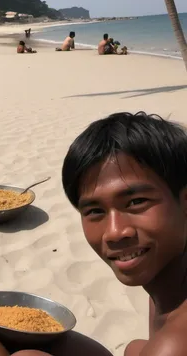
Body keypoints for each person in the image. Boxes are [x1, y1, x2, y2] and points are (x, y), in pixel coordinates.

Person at [62, 112, 187, 356]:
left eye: (136, 202)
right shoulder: (165, 282)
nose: (115, 232)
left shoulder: (175, 344)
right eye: (95, 211)